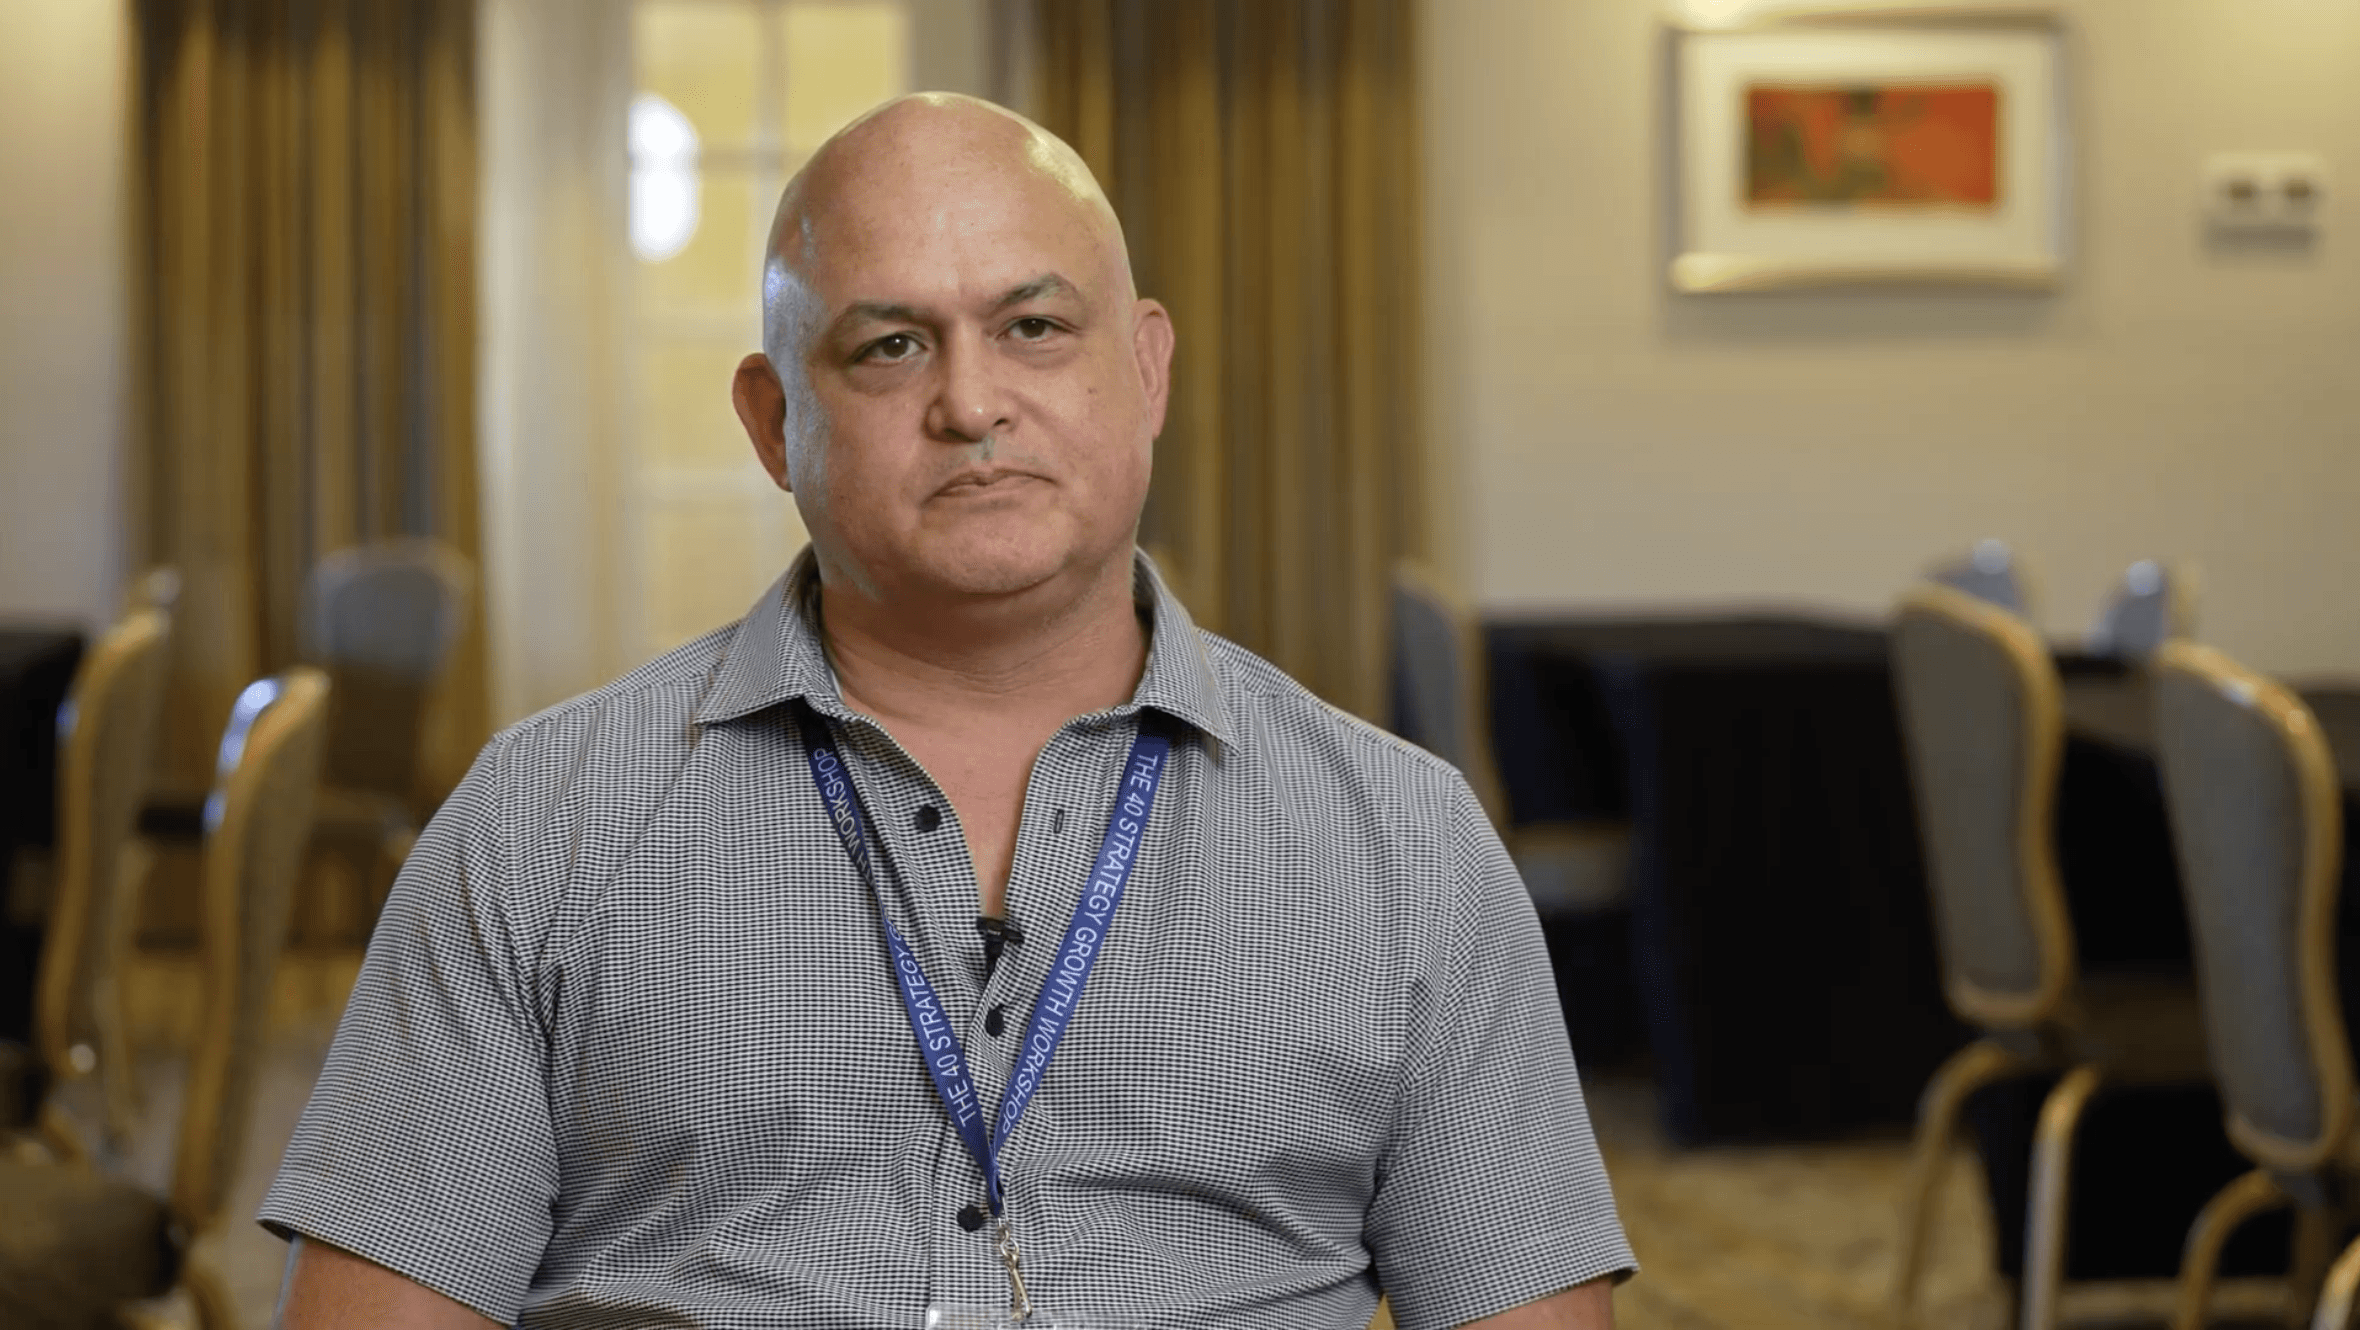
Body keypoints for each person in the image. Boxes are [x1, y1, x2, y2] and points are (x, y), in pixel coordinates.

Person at [265, 93, 1632, 1330]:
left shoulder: (1405, 839)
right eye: (889, 346)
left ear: (1145, 372)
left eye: (1033, 327)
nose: (971, 402)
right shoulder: (539, 821)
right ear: (771, 417)